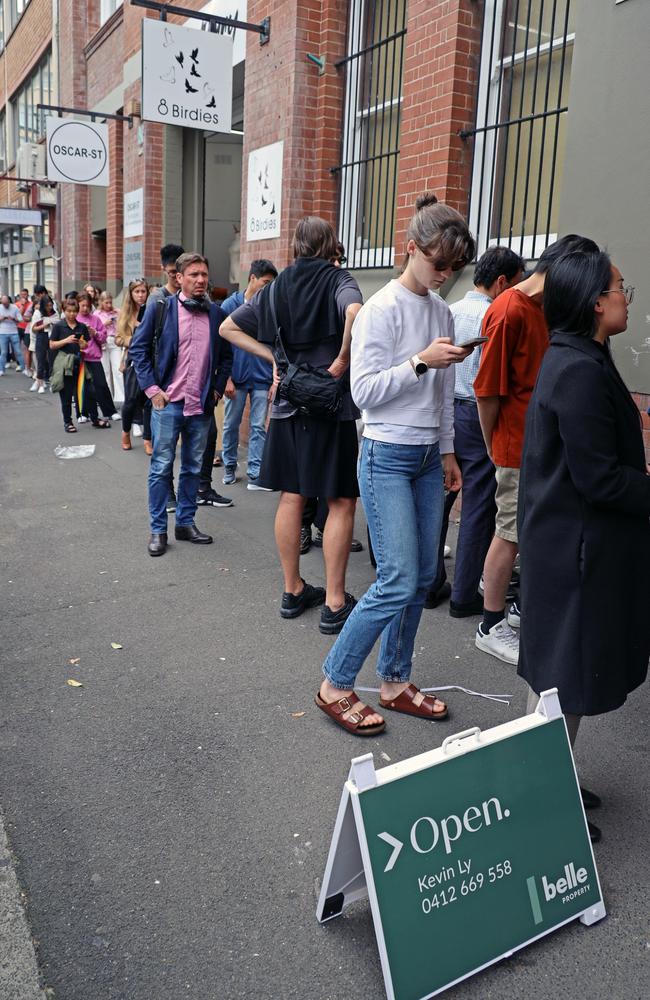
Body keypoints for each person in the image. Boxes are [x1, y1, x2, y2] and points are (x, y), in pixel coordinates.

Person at [310, 193, 475, 735]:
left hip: (428, 455)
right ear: (411, 249)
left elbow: (445, 393)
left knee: (422, 575)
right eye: (438, 264)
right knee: (400, 576)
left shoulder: (442, 310)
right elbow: (363, 393)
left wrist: (448, 453)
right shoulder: (379, 309)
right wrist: (419, 362)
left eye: (453, 268)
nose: (445, 276)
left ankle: (394, 680)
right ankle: (335, 682)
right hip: (385, 454)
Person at [518, 250, 650, 843]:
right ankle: (540, 801)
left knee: (558, 676)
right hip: (574, 551)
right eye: (622, 287)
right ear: (598, 301)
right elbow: (598, 478)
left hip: (572, 545)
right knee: (560, 679)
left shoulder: (582, 356)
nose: (628, 296)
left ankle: (550, 776)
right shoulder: (577, 369)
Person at [220, 216, 364, 634]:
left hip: (288, 403)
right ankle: (335, 602)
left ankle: (292, 589)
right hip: (329, 405)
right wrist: (340, 360)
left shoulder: (275, 287)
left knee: (291, 497)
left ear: (297, 247)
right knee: (339, 501)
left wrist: (274, 360)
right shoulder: (340, 280)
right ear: (330, 245)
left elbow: (228, 327)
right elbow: (355, 312)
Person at [473, 233, 599, 665]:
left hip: (539, 443)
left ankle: (515, 612)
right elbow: (487, 391)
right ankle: (489, 625)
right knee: (508, 534)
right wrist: (493, 444)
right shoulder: (508, 309)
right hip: (514, 445)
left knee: (526, 533)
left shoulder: (545, 307)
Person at [424, 246, 525, 614]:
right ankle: (465, 595)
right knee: (478, 509)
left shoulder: (449, 311)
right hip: (476, 414)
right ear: (502, 282)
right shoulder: (497, 316)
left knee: (438, 501)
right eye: (516, 284)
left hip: (444, 411)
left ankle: (430, 583)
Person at [129, 252, 232, 556]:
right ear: (179, 278)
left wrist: (215, 389)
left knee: (192, 467)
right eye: (193, 275)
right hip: (168, 404)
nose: (201, 280)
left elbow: (226, 357)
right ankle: (158, 530)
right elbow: (138, 349)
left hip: (200, 405)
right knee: (161, 467)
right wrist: (152, 390)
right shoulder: (160, 308)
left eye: (204, 274)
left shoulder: (216, 314)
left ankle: (185, 523)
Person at [221, 259, 278, 489]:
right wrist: (226, 377)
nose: (267, 288)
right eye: (264, 282)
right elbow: (220, 345)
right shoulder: (229, 305)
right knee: (231, 424)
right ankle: (229, 466)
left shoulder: (270, 308)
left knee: (257, 426)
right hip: (236, 377)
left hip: (262, 377)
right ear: (252, 278)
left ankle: (255, 472)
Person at [48, 298, 109, 432]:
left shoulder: (81, 326)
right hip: (65, 362)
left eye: (74, 311)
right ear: (64, 311)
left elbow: (86, 343)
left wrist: (82, 344)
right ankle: (68, 422)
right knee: (67, 394)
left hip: (80, 361)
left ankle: (95, 418)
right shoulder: (59, 326)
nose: (72, 314)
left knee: (90, 391)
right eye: (69, 311)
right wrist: (66, 340)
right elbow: (52, 345)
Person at [116, 280, 150, 451]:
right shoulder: (126, 314)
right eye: (137, 291)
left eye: (143, 291)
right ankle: (125, 432)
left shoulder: (151, 310)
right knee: (130, 400)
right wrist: (133, 340)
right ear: (131, 294)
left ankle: (147, 439)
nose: (140, 295)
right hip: (132, 360)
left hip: (150, 359)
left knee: (149, 400)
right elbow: (118, 339)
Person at [76, 292, 117, 421]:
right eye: (82, 306)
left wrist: (95, 333)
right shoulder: (75, 318)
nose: (85, 308)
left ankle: (110, 411)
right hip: (81, 357)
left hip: (94, 356)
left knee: (101, 384)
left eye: (87, 306)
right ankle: (83, 413)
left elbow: (103, 337)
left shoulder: (95, 319)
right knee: (82, 386)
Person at [96, 291, 123, 409]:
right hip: (102, 342)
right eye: (106, 302)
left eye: (110, 302)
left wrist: (118, 317)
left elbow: (122, 325)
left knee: (118, 369)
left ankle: (122, 397)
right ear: (101, 302)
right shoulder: (97, 313)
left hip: (114, 340)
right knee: (105, 371)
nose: (108, 305)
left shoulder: (116, 311)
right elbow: (95, 327)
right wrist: (104, 323)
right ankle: (107, 398)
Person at [29, 296, 57, 393]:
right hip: (41, 336)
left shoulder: (54, 313)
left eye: (51, 305)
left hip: (52, 337)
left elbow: (58, 323)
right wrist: (44, 325)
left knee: (52, 361)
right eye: (47, 306)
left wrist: (53, 324)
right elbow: (33, 328)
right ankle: (40, 383)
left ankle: (52, 382)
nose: (49, 307)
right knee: (40, 361)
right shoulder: (38, 313)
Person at [0, 295, 24, 375]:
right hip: (2, 333)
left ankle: (23, 368)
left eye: (6, 303)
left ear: (9, 302)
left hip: (14, 332)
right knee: (3, 352)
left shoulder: (14, 308)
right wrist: (2, 318)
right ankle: (1, 370)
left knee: (18, 351)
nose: (5, 305)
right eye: (3, 303)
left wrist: (13, 318)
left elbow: (20, 319)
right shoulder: (0, 307)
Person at [15, 288, 33, 376]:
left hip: (27, 329)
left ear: (28, 295)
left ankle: (27, 366)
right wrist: (22, 305)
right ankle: (19, 364)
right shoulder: (17, 304)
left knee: (27, 348)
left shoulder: (31, 304)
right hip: (18, 327)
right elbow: (18, 316)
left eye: (25, 294)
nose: (23, 296)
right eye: (22, 294)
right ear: (20, 295)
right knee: (17, 347)